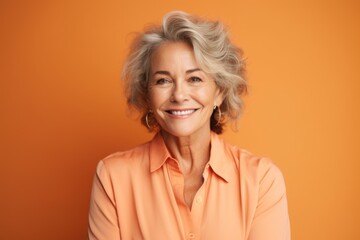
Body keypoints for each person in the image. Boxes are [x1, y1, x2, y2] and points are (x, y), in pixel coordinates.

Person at [88, 11, 290, 240]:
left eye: (194, 79)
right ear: (147, 95)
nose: (179, 95)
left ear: (220, 92)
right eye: (163, 80)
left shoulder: (261, 180)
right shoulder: (113, 177)